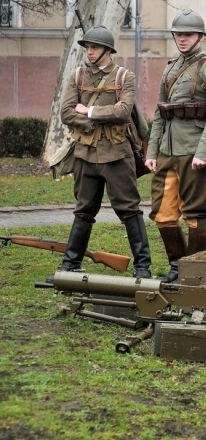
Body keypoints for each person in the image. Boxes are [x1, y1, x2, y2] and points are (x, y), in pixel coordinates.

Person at [58, 26, 152, 279]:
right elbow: (66, 112)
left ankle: (143, 266)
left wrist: (88, 112)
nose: (90, 52)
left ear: (108, 50)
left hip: (117, 154)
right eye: (87, 47)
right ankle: (70, 265)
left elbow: (123, 112)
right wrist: (90, 124)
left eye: (95, 47)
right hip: (85, 154)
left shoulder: (124, 77)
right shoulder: (77, 76)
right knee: (84, 209)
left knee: (129, 209)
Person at [145, 10, 206, 283]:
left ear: (201, 37)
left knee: (194, 212)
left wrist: (204, 153)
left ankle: (195, 271)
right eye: (178, 34)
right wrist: (151, 152)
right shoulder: (170, 67)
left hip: (194, 150)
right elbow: (160, 112)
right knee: (162, 213)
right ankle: (177, 266)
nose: (182, 39)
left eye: (188, 34)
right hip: (167, 151)